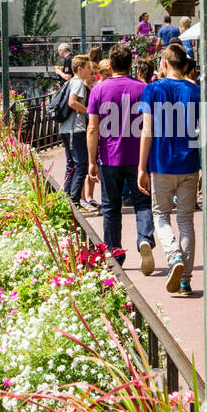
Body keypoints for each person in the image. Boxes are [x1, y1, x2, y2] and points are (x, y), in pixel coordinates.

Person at [137, 42, 201, 296]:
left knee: (160, 216)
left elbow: (147, 131)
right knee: (186, 220)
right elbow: (201, 133)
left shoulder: (152, 89)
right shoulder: (196, 91)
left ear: (163, 64)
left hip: (162, 164)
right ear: (185, 65)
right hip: (189, 163)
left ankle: (173, 256)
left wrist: (142, 167)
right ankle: (185, 281)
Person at [87, 42, 155, 269]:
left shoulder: (98, 89)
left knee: (111, 207)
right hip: (138, 158)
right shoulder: (143, 88)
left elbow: (92, 128)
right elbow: (149, 127)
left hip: (109, 157)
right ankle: (144, 238)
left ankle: (114, 253)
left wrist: (91, 161)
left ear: (111, 64)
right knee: (143, 202)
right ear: (130, 64)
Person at [59, 54, 94, 209]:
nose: (90, 70)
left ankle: (66, 198)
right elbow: (72, 102)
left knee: (72, 163)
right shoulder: (79, 83)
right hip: (75, 129)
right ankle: (74, 200)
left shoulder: (71, 82)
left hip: (67, 128)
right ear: (80, 69)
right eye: (88, 68)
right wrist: (88, 111)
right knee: (81, 163)